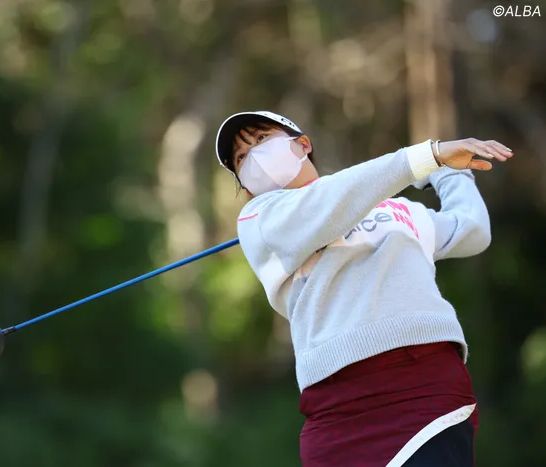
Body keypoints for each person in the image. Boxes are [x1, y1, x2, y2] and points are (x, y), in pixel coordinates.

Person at [214, 111, 513, 466]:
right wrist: (426, 157)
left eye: (261, 139)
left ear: (303, 144)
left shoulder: (397, 209)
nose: (253, 156)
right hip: (337, 407)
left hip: (427, 390)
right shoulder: (260, 221)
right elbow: (332, 199)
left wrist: (448, 173)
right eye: (241, 157)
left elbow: (472, 229)